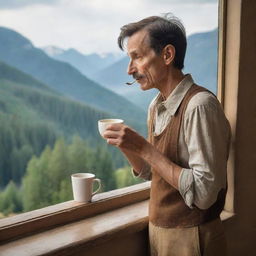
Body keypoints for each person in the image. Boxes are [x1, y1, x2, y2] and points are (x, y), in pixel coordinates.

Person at [102, 13, 231, 256]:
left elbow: (204, 194)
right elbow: (154, 171)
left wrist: (144, 148)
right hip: (160, 234)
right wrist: (127, 145)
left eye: (137, 57)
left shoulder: (200, 106)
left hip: (194, 237)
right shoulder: (156, 105)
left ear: (167, 55)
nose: (130, 69)